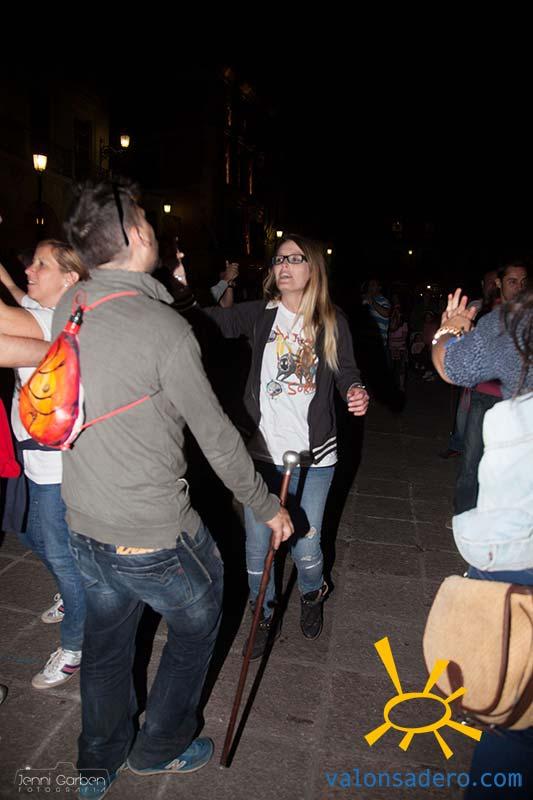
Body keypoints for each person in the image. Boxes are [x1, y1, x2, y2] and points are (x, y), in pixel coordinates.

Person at [54, 178, 293, 797]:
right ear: (136, 235)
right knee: (199, 620)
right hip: (152, 534)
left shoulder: (71, 304)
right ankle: (159, 745)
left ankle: (97, 763)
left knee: (107, 646)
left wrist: (174, 293)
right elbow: (217, 437)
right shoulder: (164, 329)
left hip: (84, 524)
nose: (155, 229)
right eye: (147, 220)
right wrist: (267, 508)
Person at [196, 234, 369, 658]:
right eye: (278, 260)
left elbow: (346, 371)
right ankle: (263, 611)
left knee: (306, 544)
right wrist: (169, 301)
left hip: (315, 456)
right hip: (263, 455)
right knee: (258, 547)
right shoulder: (261, 314)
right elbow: (211, 322)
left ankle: (312, 591)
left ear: (313, 268)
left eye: (295, 259)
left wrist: (355, 390)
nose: (284, 266)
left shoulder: (332, 321)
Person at [432, 287, 532, 799]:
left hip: (520, 548)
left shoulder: (519, 319)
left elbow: (452, 364)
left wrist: (449, 330)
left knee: (514, 711)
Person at [0, 242, 89, 689]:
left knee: (58, 552)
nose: (29, 270)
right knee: (28, 533)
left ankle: (76, 645)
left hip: (56, 467)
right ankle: (72, 590)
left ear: (70, 278)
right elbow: (21, 299)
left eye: (41, 265)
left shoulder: (60, 318)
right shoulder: (44, 309)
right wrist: (7, 279)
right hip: (32, 458)